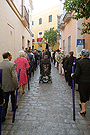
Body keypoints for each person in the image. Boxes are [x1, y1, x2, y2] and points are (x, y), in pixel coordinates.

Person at [0, 52, 19, 122]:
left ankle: (3, 115)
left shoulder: (0, 64)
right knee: (12, 96)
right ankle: (13, 107)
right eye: (10, 55)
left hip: (2, 86)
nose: (11, 57)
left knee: (5, 100)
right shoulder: (12, 64)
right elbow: (14, 76)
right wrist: (17, 85)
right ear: (8, 56)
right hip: (10, 85)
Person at [71, 49, 90, 115]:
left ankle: (83, 110)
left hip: (82, 82)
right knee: (87, 94)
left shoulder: (79, 62)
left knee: (82, 95)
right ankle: (82, 104)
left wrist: (72, 75)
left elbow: (77, 74)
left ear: (82, 55)